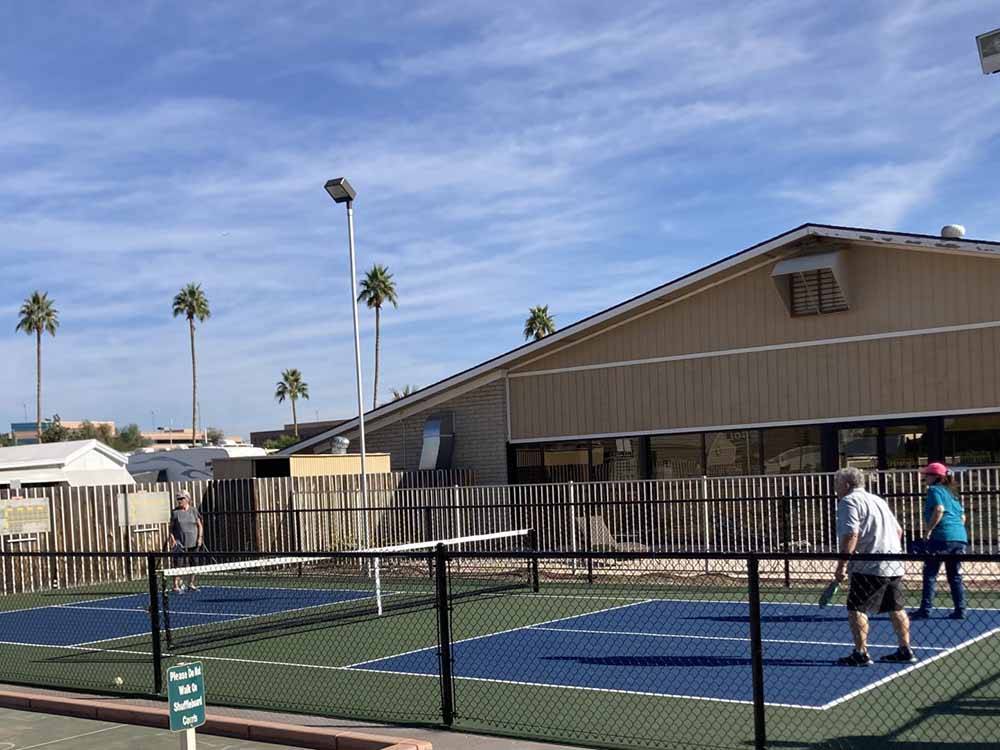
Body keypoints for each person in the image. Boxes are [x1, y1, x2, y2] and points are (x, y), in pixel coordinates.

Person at [832, 467, 915, 666]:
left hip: (868, 564)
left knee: (856, 608)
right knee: (896, 607)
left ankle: (861, 653)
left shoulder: (849, 501)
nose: (835, 489)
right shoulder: (878, 500)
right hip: (893, 561)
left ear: (846, 484)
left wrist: (842, 565)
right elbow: (899, 530)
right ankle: (905, 649)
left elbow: (852, 534)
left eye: (836, 484)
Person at [911, 462, 968, 620]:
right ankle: (960, 609)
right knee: (955, 575)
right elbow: (962, 516)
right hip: (960, 537)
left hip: (941, 537)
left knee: (930, 573)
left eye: (927, 475)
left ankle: (925, 609)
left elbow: (939, 509)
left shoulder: (934, 490)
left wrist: (928, 530)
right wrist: (955, 531)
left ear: (936, 477)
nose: (925, 478)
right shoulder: (952, 494)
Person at [168, 490, 203, 593]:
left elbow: (199, 525)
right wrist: (173, 540)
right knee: (178, 564)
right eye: (178, 499)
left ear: (187, 499)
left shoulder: (194, 511)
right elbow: (171, 528)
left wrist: (200, 537)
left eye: (181, 499)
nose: (179, 501)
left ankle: (191, 583)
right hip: (180, 543)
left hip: (193, 542)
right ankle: (175, 585)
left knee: (194, 563)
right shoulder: (175, 513)